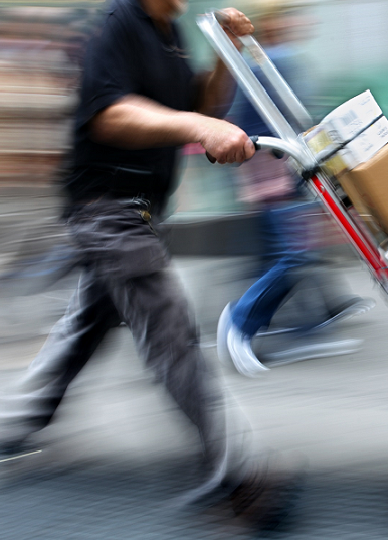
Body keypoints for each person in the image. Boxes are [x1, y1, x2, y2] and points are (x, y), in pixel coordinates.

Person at [0, 0, 294, 528]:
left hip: (141, 210)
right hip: (107, 210)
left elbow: (201, 105)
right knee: (169, 330)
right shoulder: (118, 25)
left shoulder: (169, 32)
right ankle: (235, 474)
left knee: (86, 326)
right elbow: (110, 114)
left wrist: (222, 55)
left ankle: (17, 423)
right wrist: (198, 125)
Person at [217, 1, 374, 377]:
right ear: (274, 22)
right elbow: (298, 119)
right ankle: (240, 323)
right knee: (294, 256)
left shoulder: (260, 61)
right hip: (282, 177)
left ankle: (308, 321)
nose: (303, 21)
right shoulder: (277, 60)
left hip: (269, 177)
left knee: (286, 256)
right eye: (292, 13)